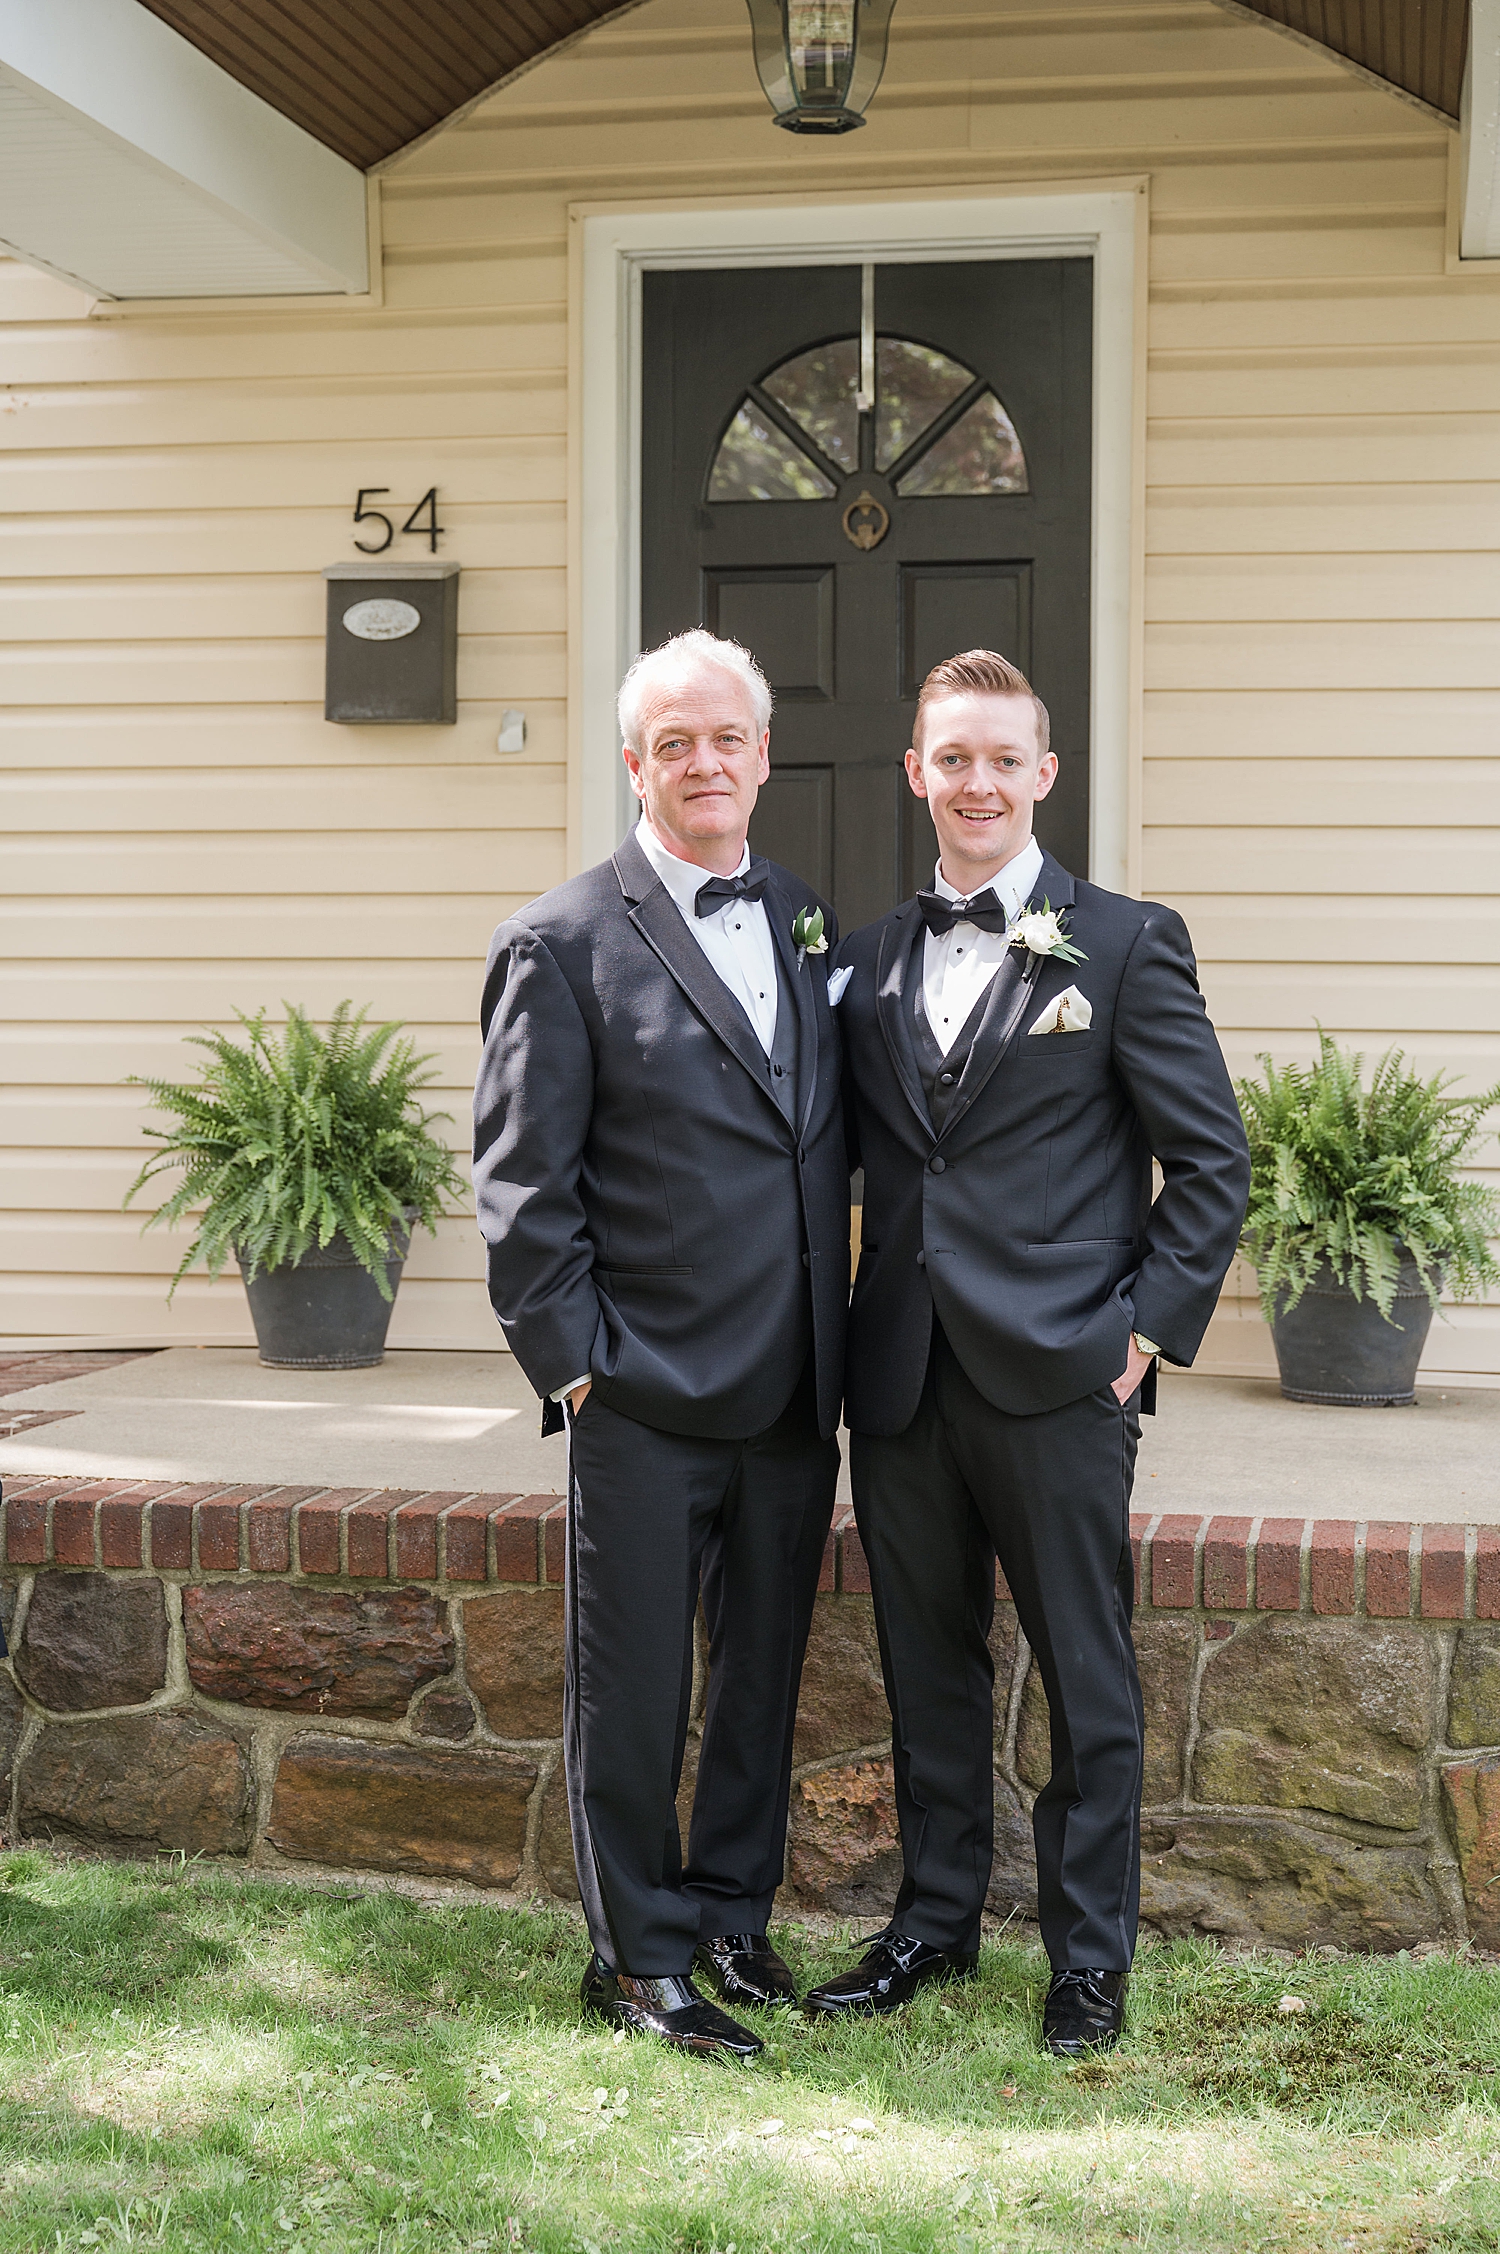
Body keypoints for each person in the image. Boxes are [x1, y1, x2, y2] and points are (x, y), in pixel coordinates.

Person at [805, 650, 1249, 2054]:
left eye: (1004, 759)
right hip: (903, 1380)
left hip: (1064, 1374)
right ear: (915, 772)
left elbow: (1214, 1161)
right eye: (953, 758)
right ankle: (933, 1923)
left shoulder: (1121, 942)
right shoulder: (868, 961)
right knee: (927, 1667)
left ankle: (1087, 1958)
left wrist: (1140, 1337)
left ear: (1045, 775)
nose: (978, 782)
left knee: (1084, 1670)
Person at [473, 629, 848, 2062]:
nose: (704, 762)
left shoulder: (805, 914)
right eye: (672, 742)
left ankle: (727, 1917)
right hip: (639, 1387)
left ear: (763, 754)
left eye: (727, 738)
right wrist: (576, 1365)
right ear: (635, 763)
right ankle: (636, 1955)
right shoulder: (559, 939)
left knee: (759, 1675)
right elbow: (520, 1183)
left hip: (790, 1383)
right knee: (634, 1688)